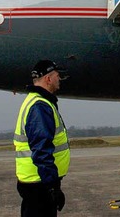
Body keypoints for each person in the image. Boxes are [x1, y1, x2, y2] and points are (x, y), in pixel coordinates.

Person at [14, 60, 70, 217]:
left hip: (36, 181)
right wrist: (52, 187)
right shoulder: (40, 106)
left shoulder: (36, 101)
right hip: (40, 183)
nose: (60, 79)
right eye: (57, 76)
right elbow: (41, 149)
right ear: (48, 78)